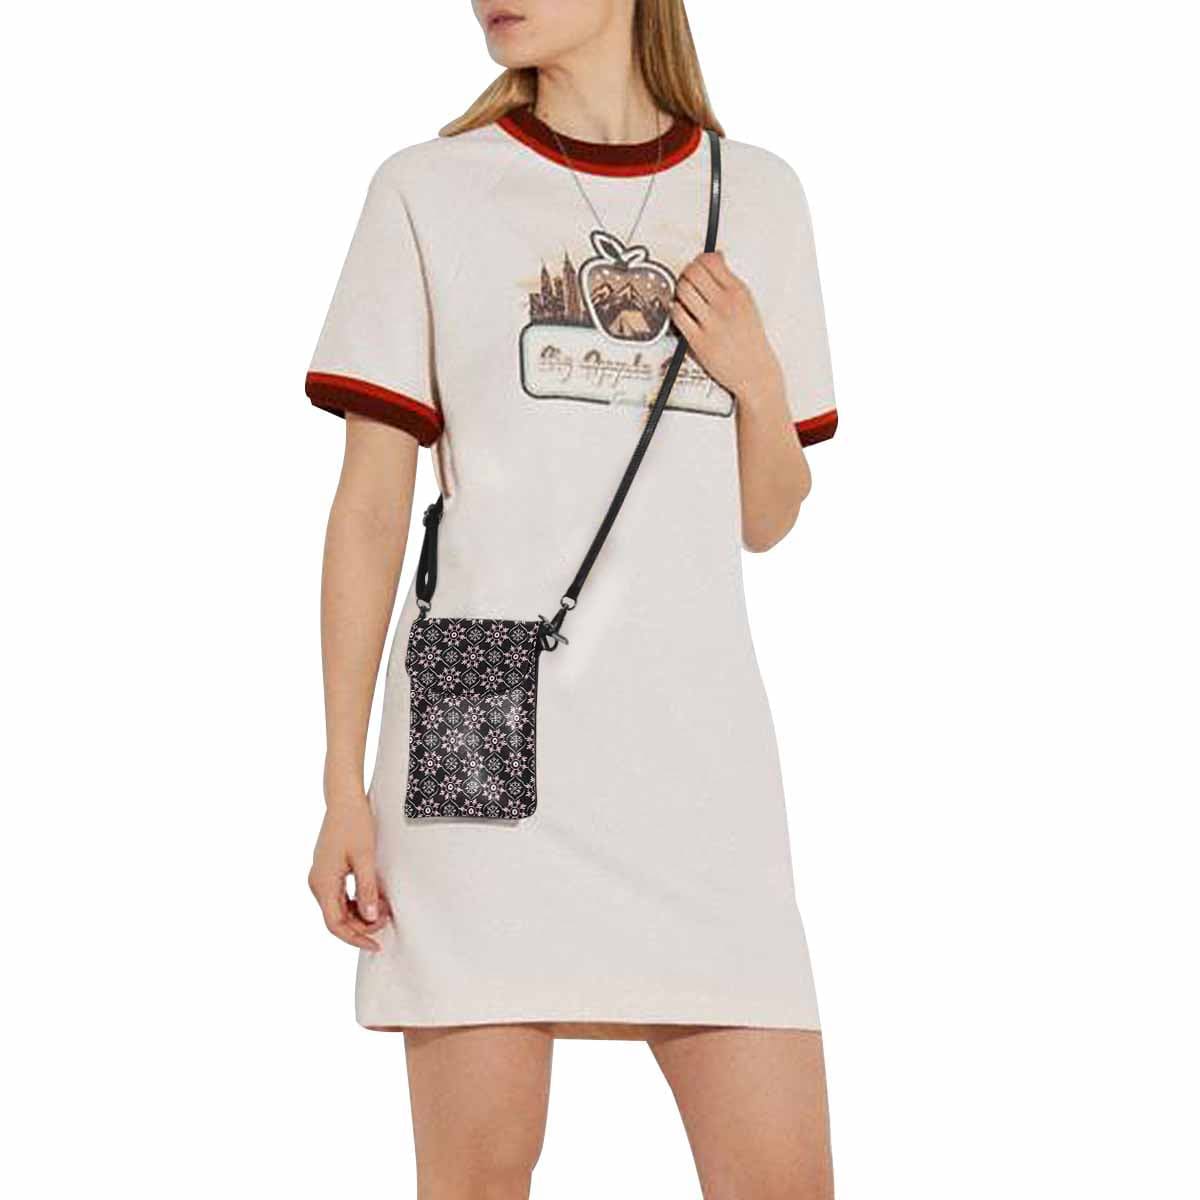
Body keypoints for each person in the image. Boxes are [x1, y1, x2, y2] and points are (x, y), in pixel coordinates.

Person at [305, 2, 839, 1195]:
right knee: (476, 1180)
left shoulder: (757, 195)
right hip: (481, 725)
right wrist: (341, 781)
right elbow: (370, 509)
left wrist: (756, 378)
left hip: (697, 757)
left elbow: (768, 515)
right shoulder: (427, 191)